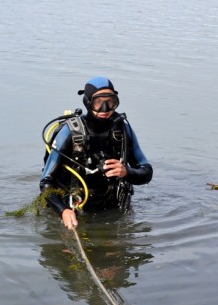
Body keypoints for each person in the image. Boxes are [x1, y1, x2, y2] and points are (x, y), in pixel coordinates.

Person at [40, 76, 153, 229]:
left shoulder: (122, 129)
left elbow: (146, 172)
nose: (105, 109)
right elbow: (46, 183)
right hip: (73, 206)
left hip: (112, 206)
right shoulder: (70, 132)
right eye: (98, 102)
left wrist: (126, 172)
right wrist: (63, 211)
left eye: (110, 101)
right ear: (87, 102)